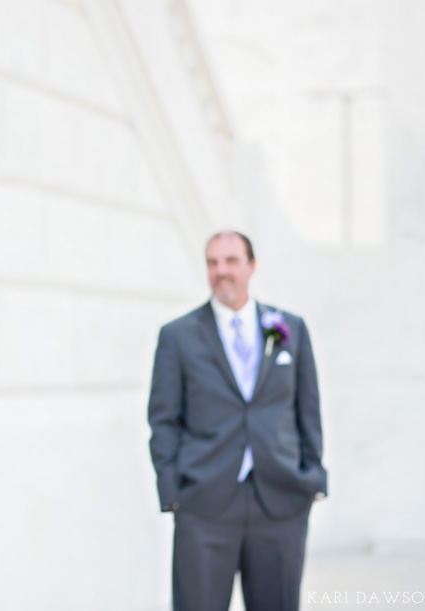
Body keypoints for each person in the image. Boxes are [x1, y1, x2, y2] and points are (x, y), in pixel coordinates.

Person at [147, 230, 327, 611]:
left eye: (230, 261)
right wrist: (173, 491)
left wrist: (312, 478)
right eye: (212, 263)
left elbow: (306, 408)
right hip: (204, 503)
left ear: (252, 266)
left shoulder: (289, 329)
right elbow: (163, 419)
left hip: (280, 500)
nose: (220, 271)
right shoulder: (177, 336)